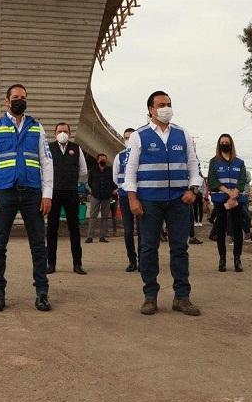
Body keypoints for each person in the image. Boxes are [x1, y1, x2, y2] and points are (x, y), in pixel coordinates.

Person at [123, 90, 203, 316]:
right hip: (149, 202)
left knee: (180, 248)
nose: (166, 107)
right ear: (151, 109)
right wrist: (132, 199)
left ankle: (182, 297)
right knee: (148, 249)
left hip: (179, 201)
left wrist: (193, 190)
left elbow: (193, 166)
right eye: (161, 104)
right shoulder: (139, 136)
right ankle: (150, 296)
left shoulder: (183, 134)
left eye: (168, 103)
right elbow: (129, 172)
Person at [0, 84, 53, 313]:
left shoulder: (37, 128)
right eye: (15, 97)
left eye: (23, 97)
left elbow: (46, 162)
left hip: (32, 192)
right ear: (7, 102)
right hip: (4, 193)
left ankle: (42, 293)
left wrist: (47, 194)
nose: (20, 100)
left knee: (38, 245)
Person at [46, 123, 88, 274]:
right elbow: (43, 169)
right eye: (59, 131)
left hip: (71, 192)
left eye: (65, 131)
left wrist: (74, 182)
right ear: (54, 133)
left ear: (69, 133)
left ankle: (77, 264)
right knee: (51, 229)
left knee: (74, 229)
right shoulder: (48, 148)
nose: (62, 133)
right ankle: (50, 264)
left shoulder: (76, 149)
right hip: (53, 193)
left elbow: (83, 171)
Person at [208, 134, 248, 273]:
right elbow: (212, 180)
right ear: (219, 145)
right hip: (220, 200)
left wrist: (235, 193)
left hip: (237, 200)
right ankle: (222, 259)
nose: (225, 144)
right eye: (222, 142)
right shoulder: (214, 162)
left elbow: (243, 179)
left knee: (237, 230)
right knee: (221, 229)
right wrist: (228, 192)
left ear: (231, 144)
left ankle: (237, 259)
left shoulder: (239, 162)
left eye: (227, 142)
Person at [113, 128, 140, 271]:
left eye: (131, 137)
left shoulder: (142, 155)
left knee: (142, 230)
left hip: (141, 196)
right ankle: (132, 260)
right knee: (128, 230)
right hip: (124, 197)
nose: (128, 140)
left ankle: (143, 260)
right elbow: (115, 176)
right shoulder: (120, 156)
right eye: (126, 137)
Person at [86, 153, 116, 243]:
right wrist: (94, 190)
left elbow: (112, 182)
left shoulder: (110, 170)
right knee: (93, 217)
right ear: (97, 160)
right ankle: (90, 237)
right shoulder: (93, 170)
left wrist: (111, 191)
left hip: (106, 196)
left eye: (104, 159)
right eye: (101, 159)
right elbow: (90, 182)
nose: (103, 160)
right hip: (95, 196)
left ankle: (102, 236)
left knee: (105, 217)